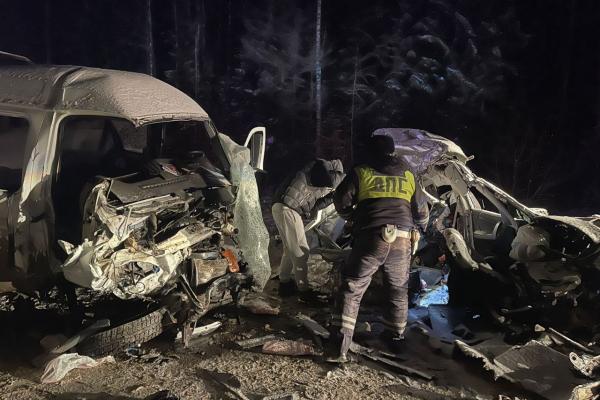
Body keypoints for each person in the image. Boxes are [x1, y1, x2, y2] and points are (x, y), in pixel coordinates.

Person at [328, 134, 429, 362]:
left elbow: (341, 200)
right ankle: (396, 337)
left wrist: (352, 216)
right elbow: (421, 210)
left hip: (371, 236)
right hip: (403, 240)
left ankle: (339, 347)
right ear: (393, 151)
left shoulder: (361, 170)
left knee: (353, 288)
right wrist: (421, 227)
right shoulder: (407, 172)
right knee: (398, 289)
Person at [271, 158, 344, 297]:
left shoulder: (311, 172)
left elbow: (314, 206)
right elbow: (332, 182)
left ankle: (284, 283)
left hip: (280, 206)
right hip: (289, 208)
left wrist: (331, 197)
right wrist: (338, 190)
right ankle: (303, 289)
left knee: (290, 249)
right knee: (301, 251)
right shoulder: (322, 172)